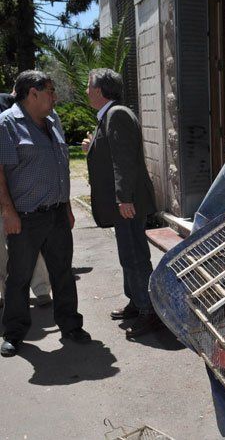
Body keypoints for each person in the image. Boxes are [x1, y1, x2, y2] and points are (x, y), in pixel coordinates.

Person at [0, 70, 91, 357]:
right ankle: (13, 333)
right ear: (32, 93)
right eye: (50, 90)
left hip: (57, 214)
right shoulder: (7, 124)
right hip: (25, 216)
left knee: (63, 273)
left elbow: (61, 167)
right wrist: (8, 213)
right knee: (19, 276)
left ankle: (71, 325)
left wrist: (67, 207)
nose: (55, 96)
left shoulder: (53, 121)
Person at [82, 68, 159, 338]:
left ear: (99, 90)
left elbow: (124, 161)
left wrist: (124, 198)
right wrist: (91, 148)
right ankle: (136, 302)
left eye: (89, 87)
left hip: (128, 203)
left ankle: (149, 310)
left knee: (135, 255)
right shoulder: (109, 115)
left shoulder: (117, 114)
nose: (86, 91)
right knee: (128, 254)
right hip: (124, 203)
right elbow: (111, 153)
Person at [0, 90, 52, 309]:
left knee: (27, 240)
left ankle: (41, 288)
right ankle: (6, 292)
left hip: (12, 189)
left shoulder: (5, 102)